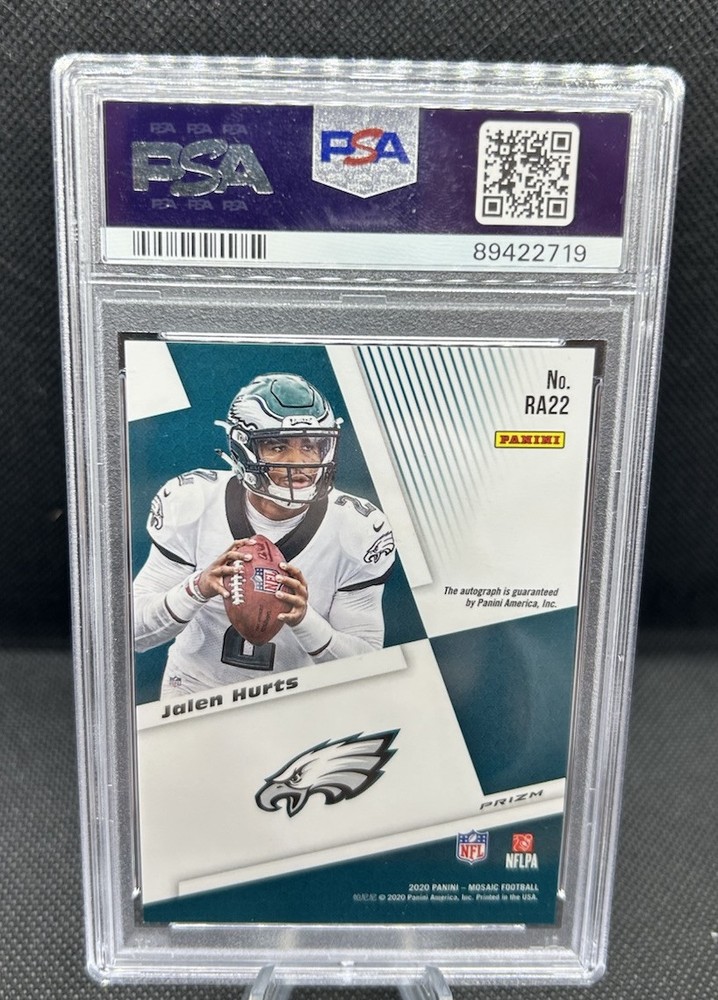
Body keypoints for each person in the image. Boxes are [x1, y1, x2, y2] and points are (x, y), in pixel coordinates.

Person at [133, 372, 396, 697]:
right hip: (195, 691)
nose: (299, 462)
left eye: (311, 445)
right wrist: (196, 588)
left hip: (302, 698)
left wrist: (304, 619)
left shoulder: (357, 528)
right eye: (278, 446)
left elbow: (366, 667)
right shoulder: (193, 502)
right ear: (242, 447)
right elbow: (134, 634)